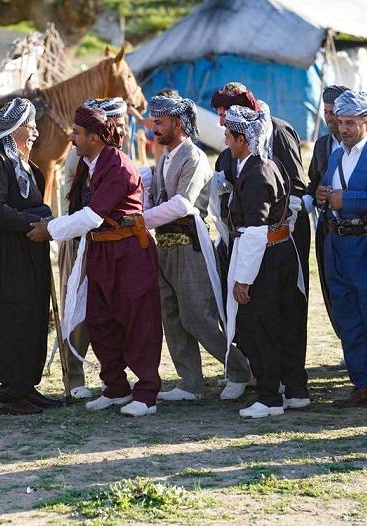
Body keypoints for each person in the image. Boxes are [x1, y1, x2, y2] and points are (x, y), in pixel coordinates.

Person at [27, 105, 163, 418]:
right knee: (101, 320)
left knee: (138, 322)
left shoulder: (116, 164)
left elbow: (91, 215)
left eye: (76, 133)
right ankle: (115, 388)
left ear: (93, 137)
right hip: (100, 252)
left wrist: (50, 230)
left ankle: (146, 393)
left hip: (128, 253)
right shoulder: (91, 164)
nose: (71, 137)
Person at [144, 94, 252, 402]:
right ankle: (190, 383)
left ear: (178, 124)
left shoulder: (193, 157)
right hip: (163, 245)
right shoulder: (164, 156)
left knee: (199, 317)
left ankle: (240, 370)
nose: (155, 128)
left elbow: (181, 205)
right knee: (172, 317)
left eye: (160, 122)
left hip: (189, 245)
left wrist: (140, 220)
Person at [210, 82, 310, 382]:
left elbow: (296, 190)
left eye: (225, 112)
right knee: (252, 312)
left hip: (279, 237)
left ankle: (288, 382)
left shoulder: (278, 132)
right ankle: (259, 374)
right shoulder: (234, 143)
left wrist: (276, 236)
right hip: (246, 238)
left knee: (285, 310)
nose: (220, 120)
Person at [0, 98, 59, 415]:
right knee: (13, 316)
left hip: (29, 248)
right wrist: (36, 221)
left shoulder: (21, 161)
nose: (36, 130)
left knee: (33, 314)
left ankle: (27, 385)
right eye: (31, 124)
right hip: (7, 251)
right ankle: (12, 392)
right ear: (14, 129)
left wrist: (43, 217)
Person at [315, 90, 367, 406]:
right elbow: (330, 191)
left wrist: (346, 200)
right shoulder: (336, 154)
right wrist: (324, 194)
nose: (344, 128)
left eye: (351, 123)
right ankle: (364, 384)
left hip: (364, 243)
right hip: (335, 243)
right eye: (340, 122)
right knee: (347, 317)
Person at [59, 97, 128, 399]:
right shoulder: (83, 152)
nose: (121, 128)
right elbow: (83, 206)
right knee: (77, 311)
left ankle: (113, 378)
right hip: (79, 239)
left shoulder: (117, 153)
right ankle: (74, 379)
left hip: (107, 242)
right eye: (117, 122)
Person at [307, 85, 349, 339]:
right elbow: (313, 183)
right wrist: (316, 195)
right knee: (333, 289)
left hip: (359, 230)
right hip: (328, 229)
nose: (330, 117)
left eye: (335, 112)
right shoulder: (322, 145)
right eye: (326, 111)